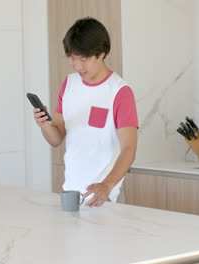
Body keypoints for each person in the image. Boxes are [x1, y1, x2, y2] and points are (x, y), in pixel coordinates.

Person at [33, 17, 138, 207]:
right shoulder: (69, 84)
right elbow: (56, 139)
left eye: (84, 59)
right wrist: (45, 125)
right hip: (71, 192)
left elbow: (129, 149)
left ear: (102, 53)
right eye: (73, 58)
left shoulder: (120, 92)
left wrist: (106, 186)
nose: (78, 66)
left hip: (106, 196)